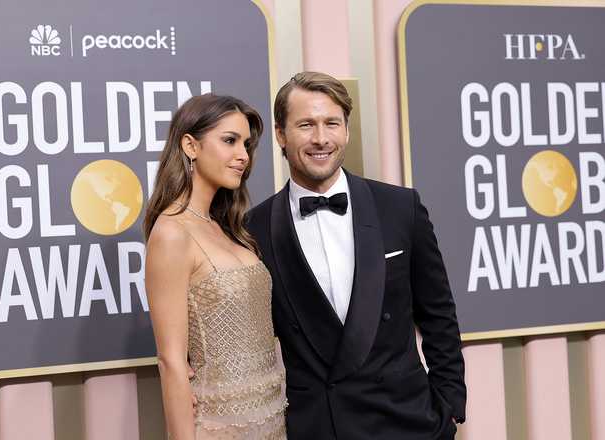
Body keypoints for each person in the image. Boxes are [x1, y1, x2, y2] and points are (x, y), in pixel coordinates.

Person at [246, 72, 466, 439]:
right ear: (281, 135)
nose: (321, 138)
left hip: (408, 420)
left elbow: (439, 314)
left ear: (346, 131)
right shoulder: (254, 228)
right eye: (305, 125)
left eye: (331, 123)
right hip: (319, 426)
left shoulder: (400, 207)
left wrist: (449, 406)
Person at [144, 94, 287, 439]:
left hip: (270, 418)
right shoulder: (171, 233)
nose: (243, 155)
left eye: (247, 144)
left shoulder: (226, 227)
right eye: (229, 141)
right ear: (190, 146)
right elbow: (172, 363)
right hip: (218, 427)